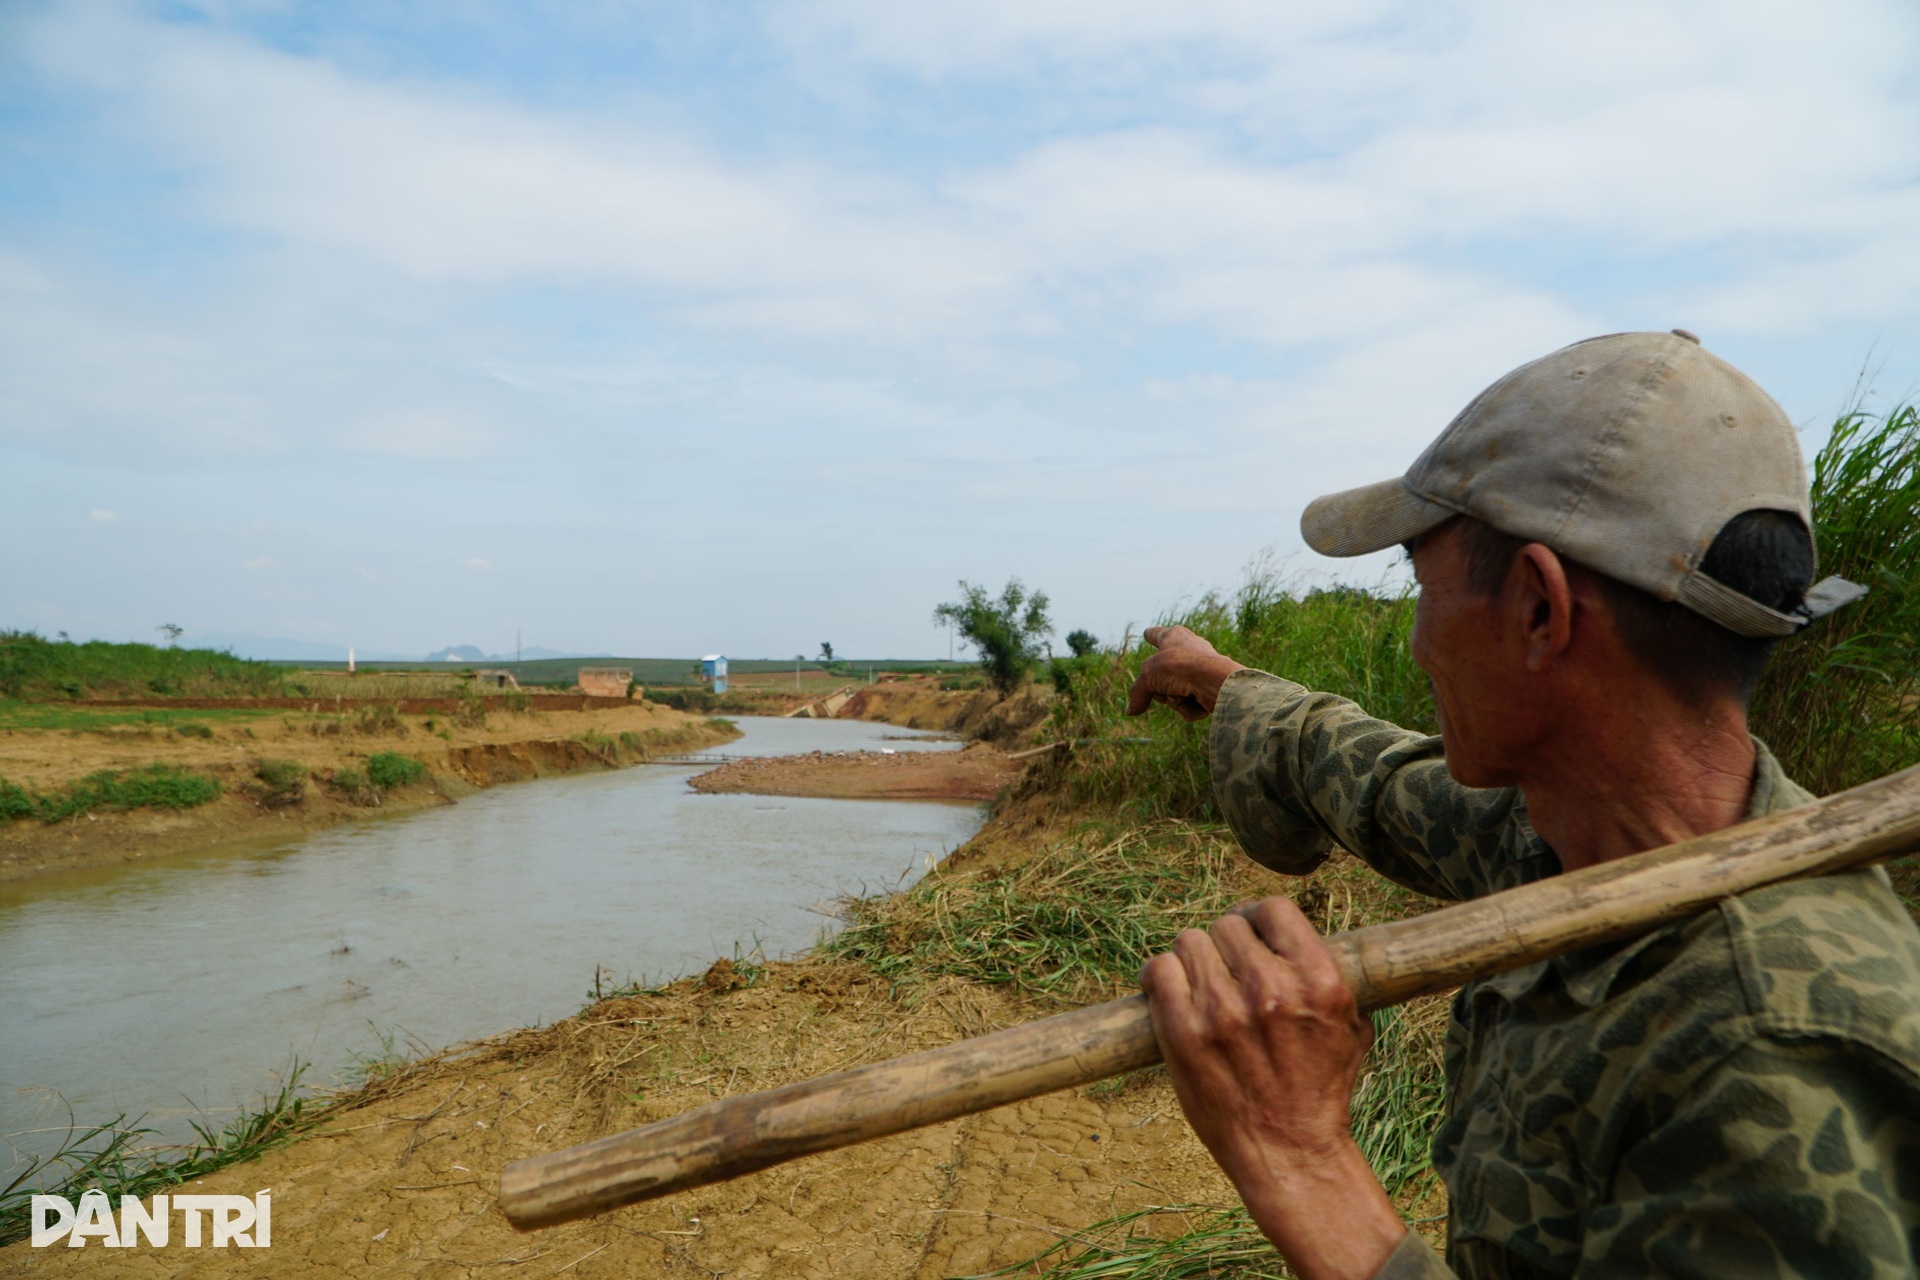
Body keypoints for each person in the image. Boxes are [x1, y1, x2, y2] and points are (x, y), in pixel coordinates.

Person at [1124, 330, 1920, 1279]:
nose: (1418, 644)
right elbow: (1382, 785)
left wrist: (1299, 1161)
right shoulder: (1577, 836)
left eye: (1421, 586)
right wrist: (1226, 685)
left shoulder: (1769, 1054)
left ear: (1540, 609)